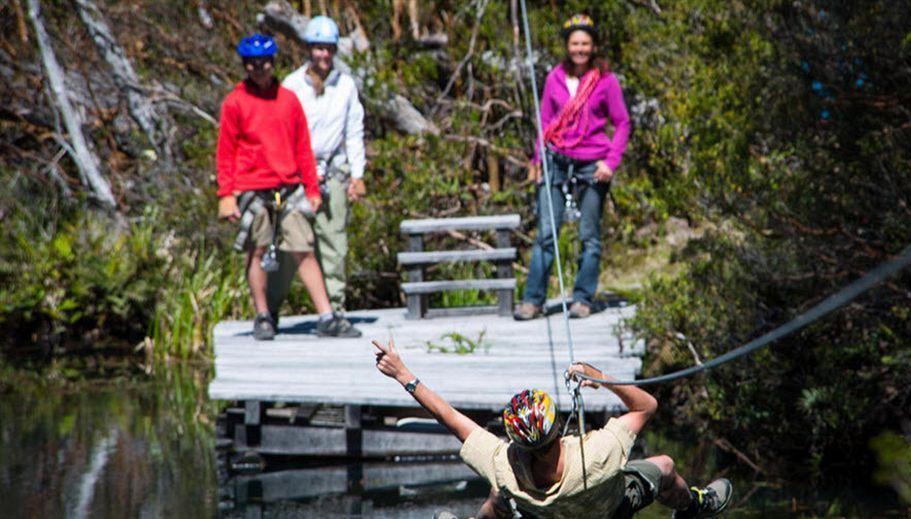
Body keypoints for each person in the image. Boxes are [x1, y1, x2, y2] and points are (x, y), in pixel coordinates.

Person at [372, 338, 733, 518]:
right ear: (557, 428)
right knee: (666, 466)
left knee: (499, 500)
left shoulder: (504, 465)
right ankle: (696, 506)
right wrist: (599, 378)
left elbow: (450, 417)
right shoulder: (596, 453)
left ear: (516, 440)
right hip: (610, 510)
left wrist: (403, 375)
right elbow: (647, 406)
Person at [216, 33, 341, 340]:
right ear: (246, 66)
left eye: (266, 63)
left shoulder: (288, 99)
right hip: (252, 188)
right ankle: (263, 316)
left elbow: (303, 148)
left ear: (273, 63)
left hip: (288, 186)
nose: (260, 69)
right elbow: (225, 151)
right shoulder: (235, 102)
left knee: (304, 249)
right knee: (257, 250)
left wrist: (311, 189)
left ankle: (327, 316)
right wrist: (226, 195)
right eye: (254, 64)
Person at [515, 14, 631, 321]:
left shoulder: (606, 81)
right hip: (556, 159)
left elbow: (622, 123)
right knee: (545, 233)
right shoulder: (554, 78)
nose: (580, 49)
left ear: (593, 47)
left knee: (588, 234)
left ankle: (582, 298)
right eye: (575, 43)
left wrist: (611, 162)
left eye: (585, 43)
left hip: (593, 162)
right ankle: (533, 300)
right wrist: (537, 161)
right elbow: (546, 122)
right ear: (567, 46)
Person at [265, 16, 365, 338]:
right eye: (318, 48)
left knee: (335, 244)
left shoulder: (346, 85)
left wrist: (357, 174)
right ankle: (269, 312)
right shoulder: (291, 86)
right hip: (294, 178)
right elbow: (278, 134)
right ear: (308, 49)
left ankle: (334, 311)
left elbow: (354, 131)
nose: (323, 55)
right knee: (287, 247)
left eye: (328, 49)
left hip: (332, 171)